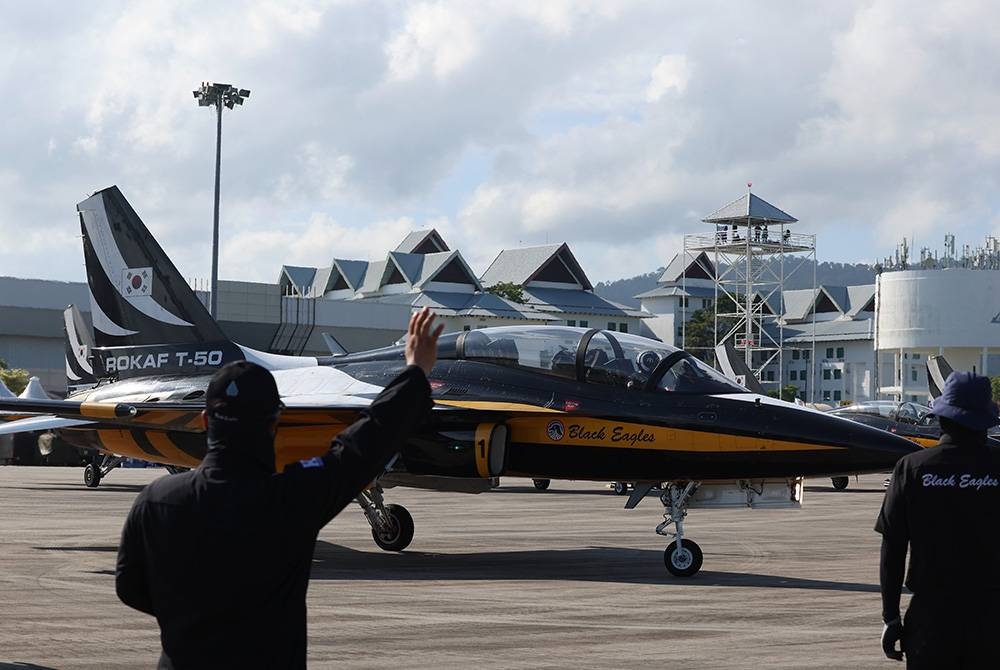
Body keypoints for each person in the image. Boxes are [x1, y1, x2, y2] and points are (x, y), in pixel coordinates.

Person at [116, 307, 444, 669]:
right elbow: (363, 444)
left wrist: (190, 615)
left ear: (206, 420)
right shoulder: (294, 498)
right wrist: (416, 372)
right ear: (275, 422)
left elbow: (130, 586)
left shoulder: (156, 501)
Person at [875, 371, 1000, 667]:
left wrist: (890, 616)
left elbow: (892, 549)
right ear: (985, 421)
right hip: (993, 616)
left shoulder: (911, 468)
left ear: (942, 418)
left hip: (931, 619)